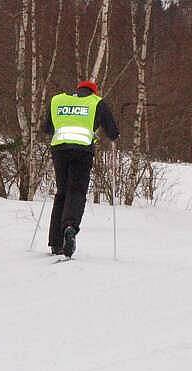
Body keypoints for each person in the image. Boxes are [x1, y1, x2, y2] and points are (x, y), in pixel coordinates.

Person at [44, 80, 119, 258]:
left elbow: (47, 128)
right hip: (82, 151)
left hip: (59, 150)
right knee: (76, 192)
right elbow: (113, 131)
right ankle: (70, 227)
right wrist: (113, 136)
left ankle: (56, 243)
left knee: (61, 193)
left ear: (77, 89)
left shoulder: (58, 100)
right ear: (93, 91)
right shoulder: (96, 102)